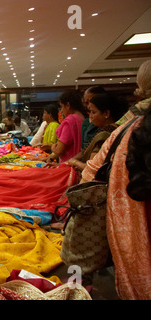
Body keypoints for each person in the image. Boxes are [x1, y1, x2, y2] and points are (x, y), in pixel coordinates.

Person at [81, 59, 151, 300]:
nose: (88, 114)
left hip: (135, 220)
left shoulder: (127, 128)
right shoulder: (127, 127)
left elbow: (91, 172)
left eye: (91, 109)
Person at [67, 93, 128, 171]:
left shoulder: (105, 134)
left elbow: (91, 168)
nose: (91, 117)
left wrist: (74, 162)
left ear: (106, 113)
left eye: (93, 112)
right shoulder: (117, 128)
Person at [47, 90, 86, 163]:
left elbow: (59, 150)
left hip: (68, 165)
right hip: (78, 162)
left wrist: (53, 147)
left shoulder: (70, 121)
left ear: (68, 105)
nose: (61, 111)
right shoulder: (82, 118)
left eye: (62, 107)